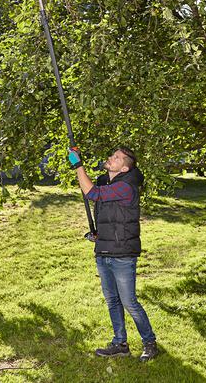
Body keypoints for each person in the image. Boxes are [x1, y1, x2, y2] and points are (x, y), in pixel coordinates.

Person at [68, 146, 158, 362]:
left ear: (125, 168)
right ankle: (120, 343)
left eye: (116, 158)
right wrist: (99, 235)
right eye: (112, 155)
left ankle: (150, 343)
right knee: (112, 301)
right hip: (104, 251)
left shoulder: (126, 187)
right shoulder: (107, 183)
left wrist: (78, 165)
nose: (110, 158)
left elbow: (92, 193)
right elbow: (110, 216)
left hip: (122, 255)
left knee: (129, 302)